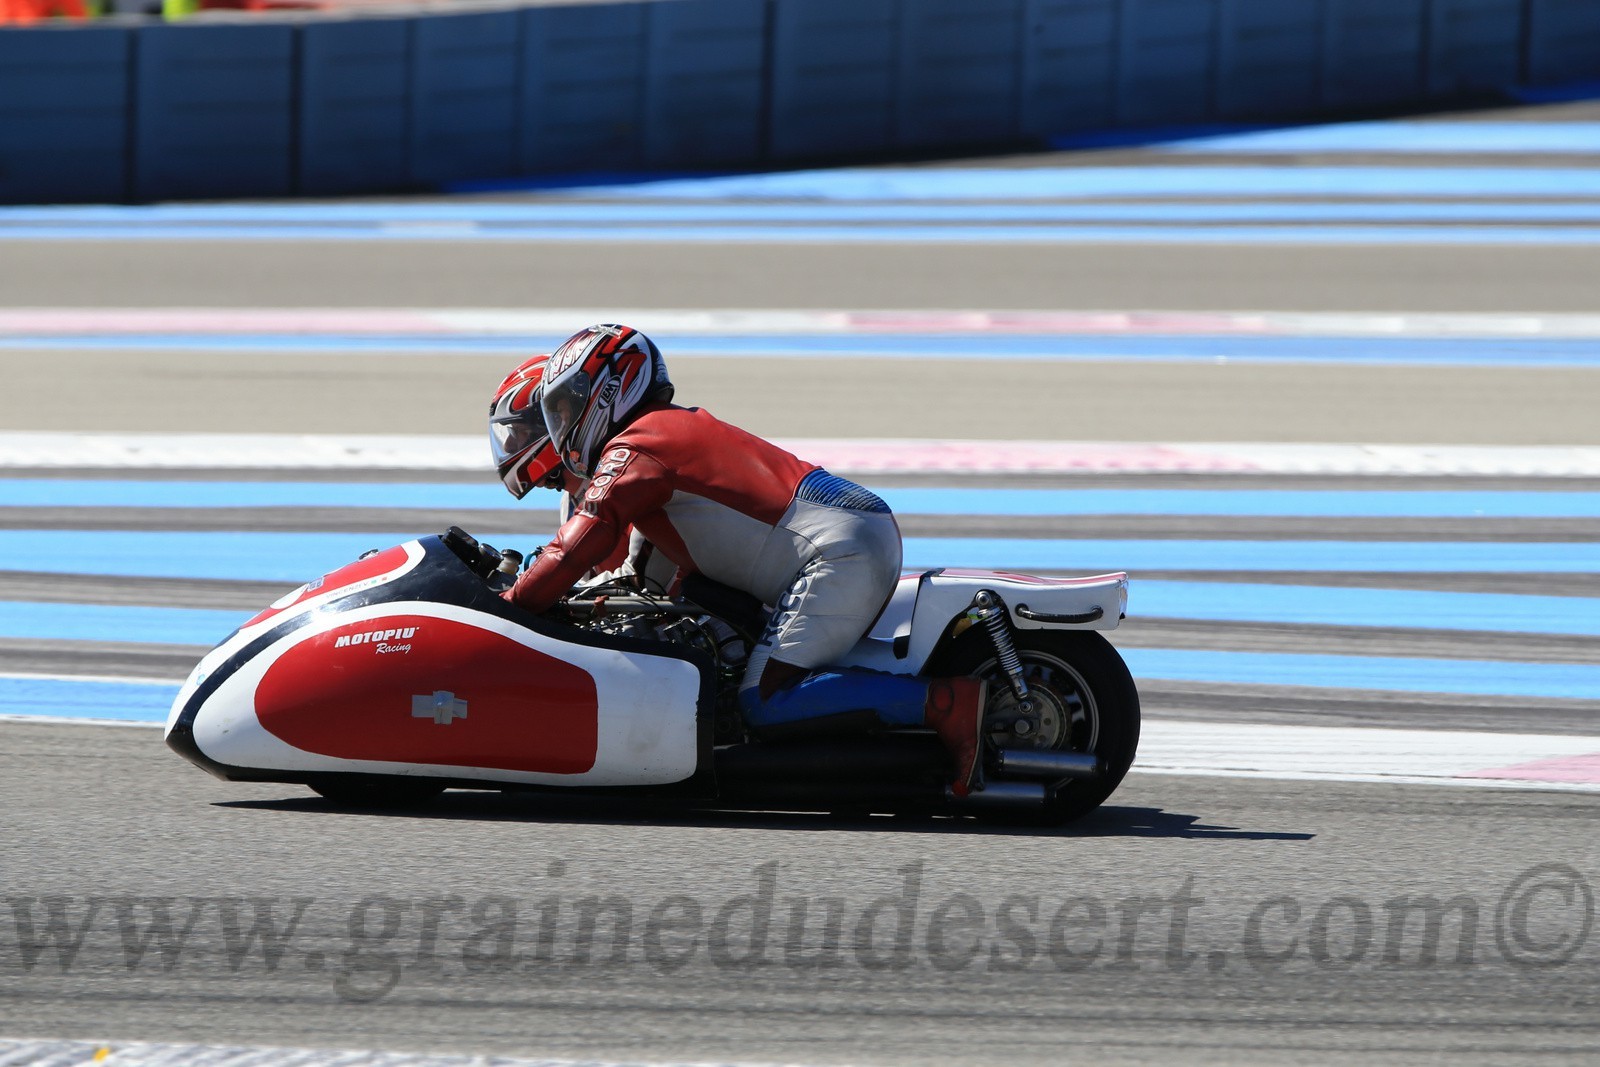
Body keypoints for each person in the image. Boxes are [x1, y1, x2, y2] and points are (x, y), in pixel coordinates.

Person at [498, 324, 987, 795]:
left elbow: (579, 541)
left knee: (765, 698)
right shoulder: (661, 436)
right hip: (847, 535)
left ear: (607, 391)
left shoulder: (638, 445)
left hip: (837, 550)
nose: (561, 423)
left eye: (566, 406)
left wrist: (508, 607)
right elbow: (638, 578)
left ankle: (944, 703)